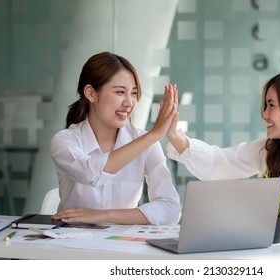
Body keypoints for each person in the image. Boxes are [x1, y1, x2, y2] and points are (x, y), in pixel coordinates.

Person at [166, 69, 280, 259]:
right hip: (268, 255)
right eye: (265, 105)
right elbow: (219, 162)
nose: (265, 114)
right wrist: (175, 135)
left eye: (271, 105)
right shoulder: (271, 149)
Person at [50, 51, 181, 226]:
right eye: (120, 92)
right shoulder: (64, 141)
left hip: (122, 246)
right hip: (72, 244)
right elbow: (91, 174)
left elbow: (170, 209)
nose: (129, 102)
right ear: (91, 93)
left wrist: (104, 216)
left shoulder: (146, 142)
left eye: (134, 93)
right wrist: (153, 135)